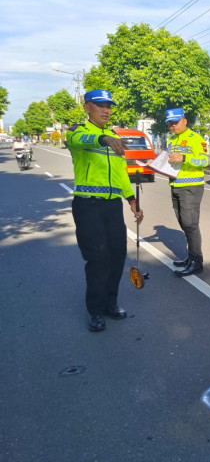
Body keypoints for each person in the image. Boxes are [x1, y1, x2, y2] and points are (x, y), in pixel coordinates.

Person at [65, 89, 144, 332]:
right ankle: (96, 311)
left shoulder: (114, 135)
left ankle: (111, 303)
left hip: (112, 206)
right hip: (88, 206)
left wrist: (131, 199)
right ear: (87, 106)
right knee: (97, 259)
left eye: (109, 105)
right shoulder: (78, 132)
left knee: (117, 256)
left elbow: (121, 172)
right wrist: (103, 140)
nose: (106, 110)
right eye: (100, 105)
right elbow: (79, 143)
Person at [165, 107, 208, 277]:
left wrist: (185, 158)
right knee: (183, 223)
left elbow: (205, 160)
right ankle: (191, 257)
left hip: (191, 187)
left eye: (175, 122)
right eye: (169, 123)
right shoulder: (171, 141)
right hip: (175, 185)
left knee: (190, 224)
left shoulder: (195, 139)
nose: (173, 126)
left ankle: (197, 261)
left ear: (184, 120)